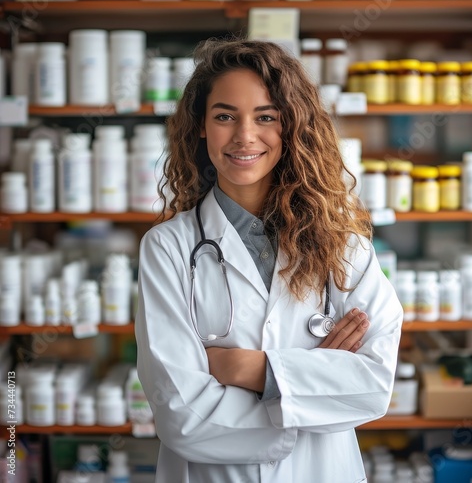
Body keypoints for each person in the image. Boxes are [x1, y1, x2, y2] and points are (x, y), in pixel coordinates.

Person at [135, 38, 403, 483]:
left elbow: (373, 387)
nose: (244, 135)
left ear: (290, 125)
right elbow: (180, 416)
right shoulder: (169, 248)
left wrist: (249, 369)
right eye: (225, 116)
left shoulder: (344, 244)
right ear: (201, 125)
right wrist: (308, 388)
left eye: (266, 117)